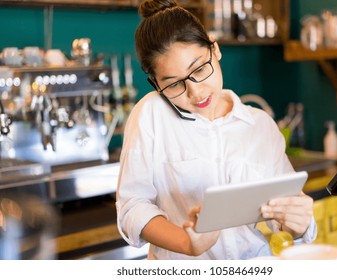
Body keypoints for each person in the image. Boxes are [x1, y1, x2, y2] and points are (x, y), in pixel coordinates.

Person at [116, 0, 317, 260]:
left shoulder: (260, 125)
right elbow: (132, 208)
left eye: (199, 69)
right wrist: (187, 243)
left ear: (215, 48)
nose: (196, 92)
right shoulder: (151, 114)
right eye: (174, 84)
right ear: (156, 84)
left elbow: (283, 212)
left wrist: (298, 224)